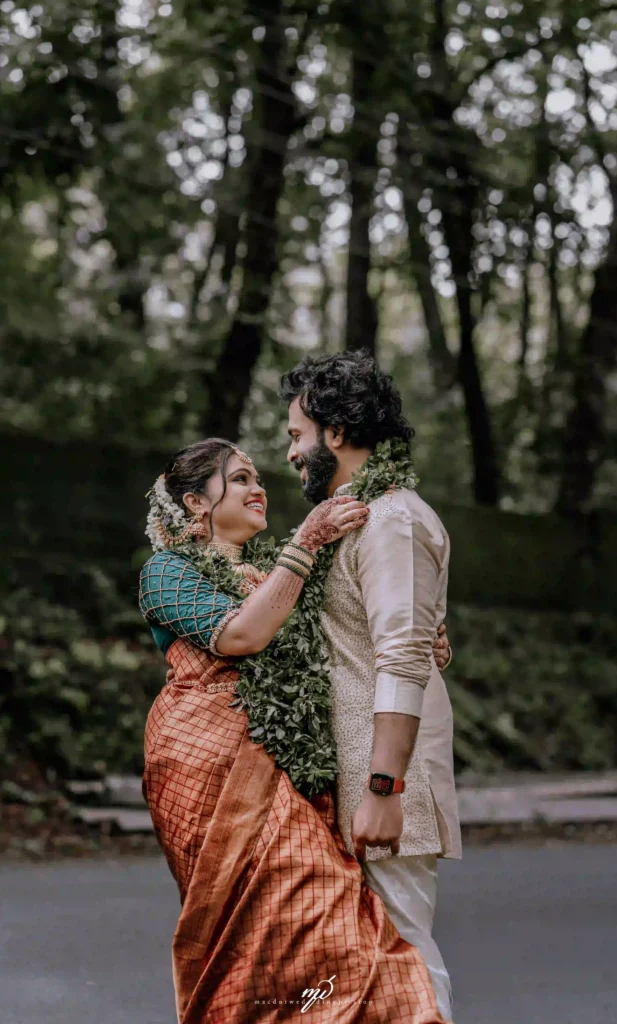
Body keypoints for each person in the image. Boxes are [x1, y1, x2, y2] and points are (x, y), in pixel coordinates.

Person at [139, 437, 454, 1024]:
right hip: (200, 764)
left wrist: (413, 632)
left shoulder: (273, 573)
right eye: (238, 479)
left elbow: (335, 639)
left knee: (326, 916)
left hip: (285, 768)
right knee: (255, 929)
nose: (258, 488)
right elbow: (238, 637)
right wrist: (305, 542)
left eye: (256, 477)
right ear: (194, 503)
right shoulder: (166, 571)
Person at [279, 350, 461, 1023]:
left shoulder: (391, 519)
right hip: (349, 777)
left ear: (333, 432)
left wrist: (385, 788)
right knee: (357, 971)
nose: (291, 452)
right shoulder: (356, 518)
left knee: (403, 961)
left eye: (297, 434)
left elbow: (404, 655)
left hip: (383, 782)